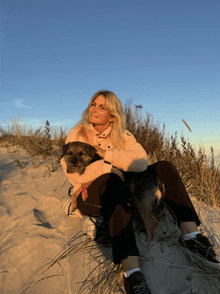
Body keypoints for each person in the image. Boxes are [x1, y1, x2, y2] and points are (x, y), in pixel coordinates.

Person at [61, 90, 219, 294]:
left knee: (165, 167)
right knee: (113, 180)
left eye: (102, 107)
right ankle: (132, 271)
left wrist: (105, 155)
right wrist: (112, 168)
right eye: (93, 104)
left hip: (120, 188)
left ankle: (192, 236)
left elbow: (141, 162)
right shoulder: (78, 133)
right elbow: (71, 171)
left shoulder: (123, 134)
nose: (94, 109)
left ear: (112, 114)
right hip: (88, 191)